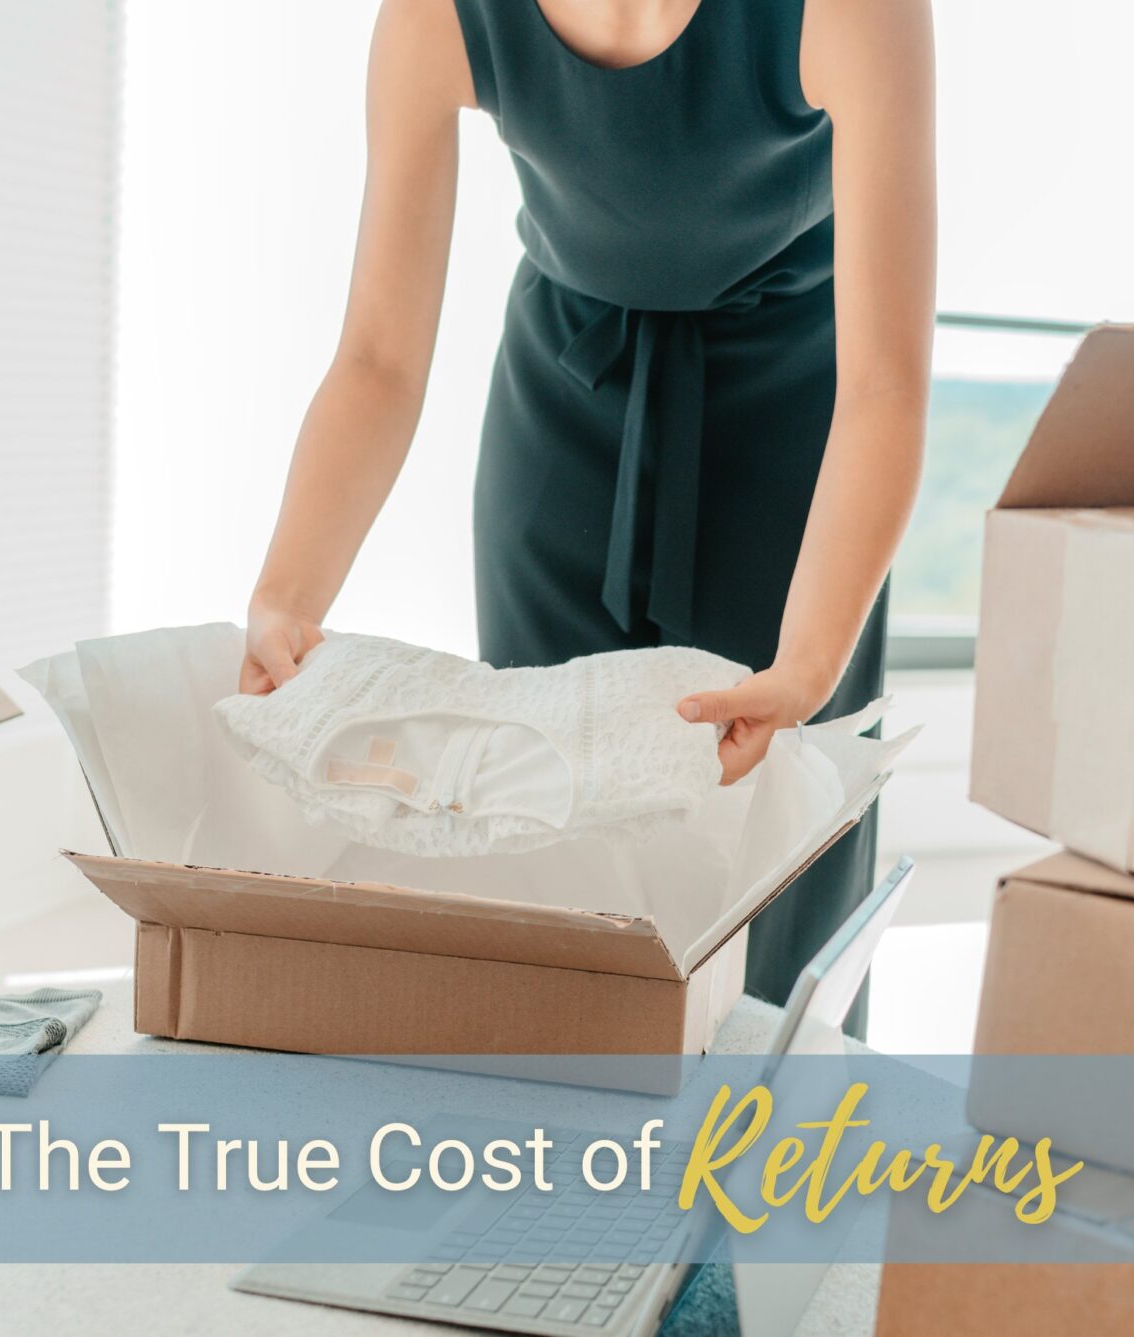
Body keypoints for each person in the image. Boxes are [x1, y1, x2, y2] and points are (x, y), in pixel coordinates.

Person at [240, 0, 935, 1033]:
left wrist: (811, 658)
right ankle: (563, 1183)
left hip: (795, 443)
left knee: (775, 889)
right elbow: (379, 358)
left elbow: (884, 384)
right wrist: (284, 594)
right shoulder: (437, 15)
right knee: (550, 864)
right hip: (561, 430)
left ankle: (783, 1183)